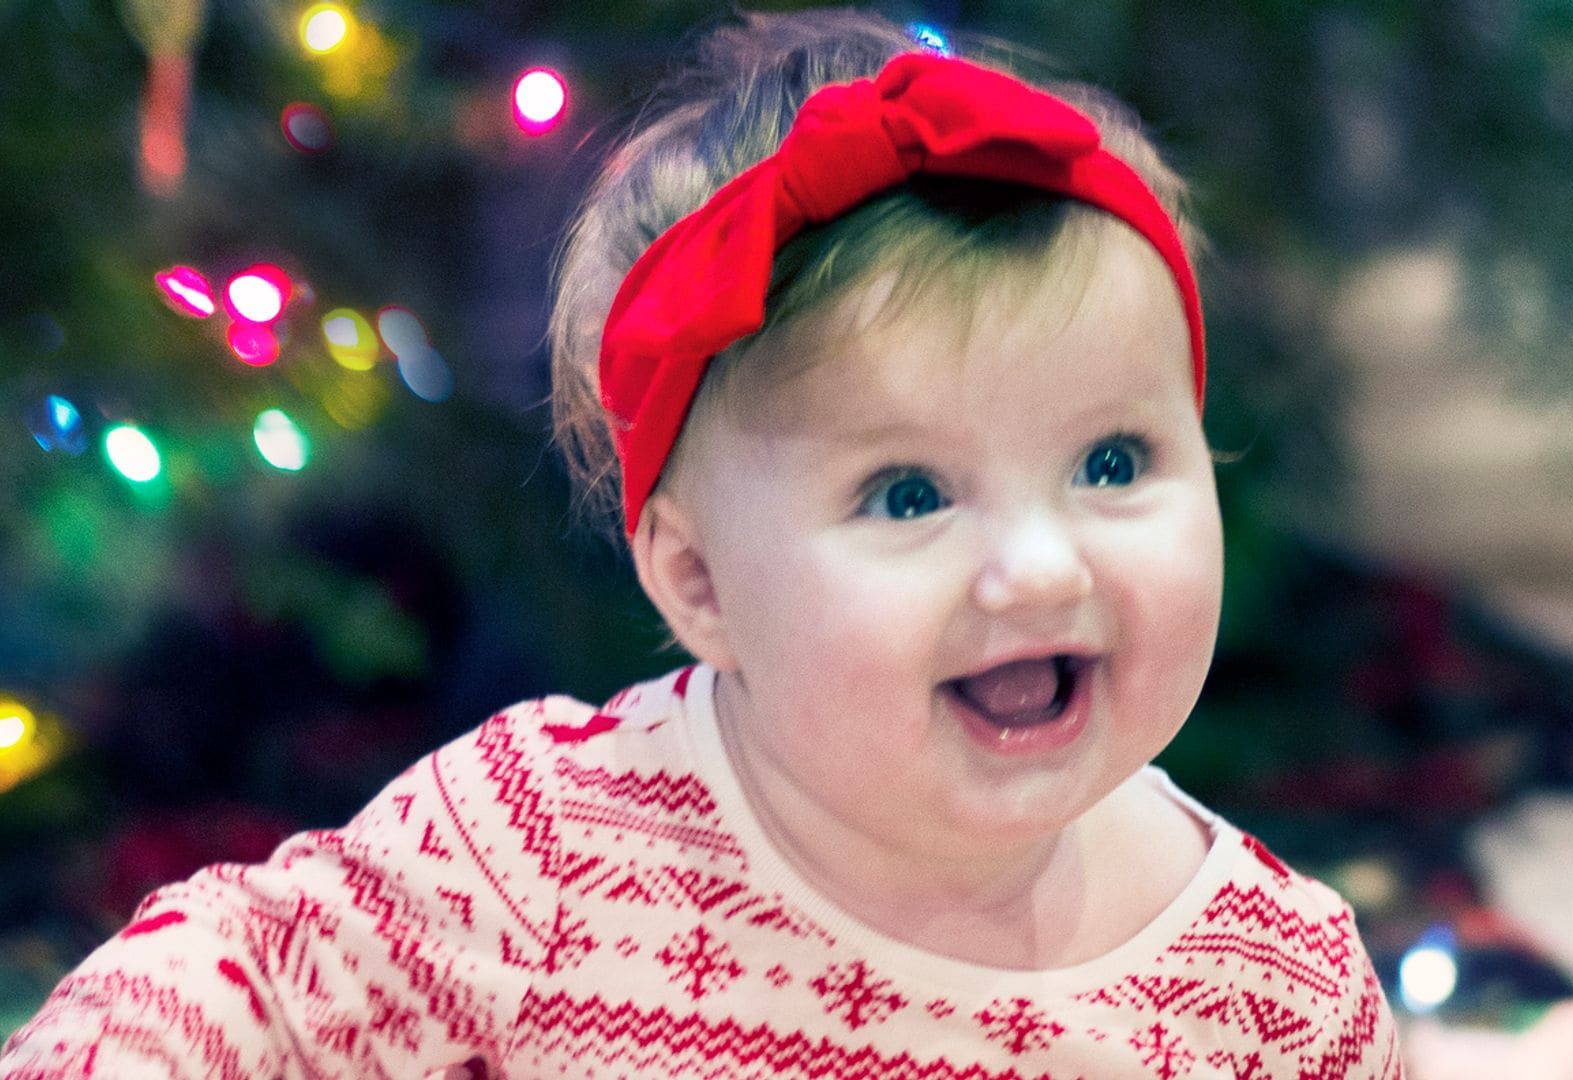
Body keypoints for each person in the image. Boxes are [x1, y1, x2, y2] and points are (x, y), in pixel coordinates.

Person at [1, 10, 1403, 1078]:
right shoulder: (542, 851)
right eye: (909, 494)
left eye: (1113, 462)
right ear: (699, 583)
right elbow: (236, 981)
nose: (1040, 569)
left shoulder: (1276, 993)